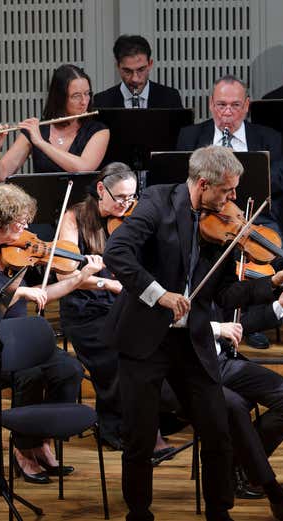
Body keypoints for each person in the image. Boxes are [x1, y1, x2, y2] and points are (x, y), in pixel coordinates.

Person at [102, 145, 283, 521]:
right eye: (227, 191)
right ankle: (139, 514)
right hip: (145, 339)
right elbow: (118, 252)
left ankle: (219, 513)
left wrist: (274, 282)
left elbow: (227, 292)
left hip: (190, 341)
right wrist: (159, 294)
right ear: (203, 184)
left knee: (217, 430)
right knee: (139, 439)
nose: (233, 200)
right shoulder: (156, 203)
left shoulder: (221, 227)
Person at [0, 183, 102, 484]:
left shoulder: (15, 250)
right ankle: (22, 449)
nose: (26, 228)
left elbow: (44, 292)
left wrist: (80, 278)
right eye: (19, 223)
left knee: (69, 370)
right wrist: (20, 292)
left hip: (19, 338)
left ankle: (40, 441)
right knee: (30, 374)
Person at [58, 162, 176, 455]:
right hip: (87, 310)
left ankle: (147, 419)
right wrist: (106, 284)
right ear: (101, 189)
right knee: (115, 358)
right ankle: (118, 429)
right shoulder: (74, 218)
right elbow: (64, 276)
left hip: (124, 305)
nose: (126, 204)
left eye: (132, 197)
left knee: (153, 351)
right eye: (120, 197)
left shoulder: (133, 217)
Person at [176, 75, 283, 349]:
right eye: (220, 105)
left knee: (272, 254)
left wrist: (243, 172)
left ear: (246, 106)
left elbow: (281, 179)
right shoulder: (190, 135)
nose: (226, 113)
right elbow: (182, 178)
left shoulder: (267, 136)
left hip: (253, 215)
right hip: (205, 215)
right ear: (210, 105)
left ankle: (252, 322)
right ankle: (216, 319)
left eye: (234, 105)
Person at [210, 286, 283, 521]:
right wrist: (217, 328)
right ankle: (276, 495)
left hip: (223, 361)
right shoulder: (173, 270)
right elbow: (166, 323)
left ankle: (240, 464)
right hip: (187, 369)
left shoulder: (212, 272)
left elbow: (240, 326)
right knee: (235, 406)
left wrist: (280, 304)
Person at [0, 64, 110, 181]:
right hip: (42, 201)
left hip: (82, 203)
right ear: (60, 98)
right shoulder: (37, 130)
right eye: (76, 96)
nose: (84, 102)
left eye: (87, 94)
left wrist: (41, 143)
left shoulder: (99, 131)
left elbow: (83, 168)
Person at [93, 34, 183, 109]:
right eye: (127, 71)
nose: (135, 79)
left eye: (141, 70)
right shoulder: (102, 101)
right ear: (118, 66)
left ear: (150, 64)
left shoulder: (170, 98)